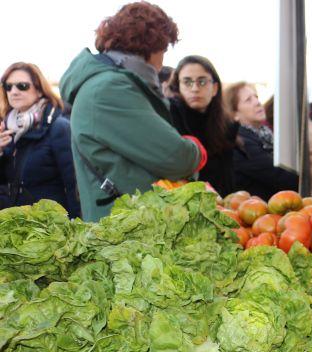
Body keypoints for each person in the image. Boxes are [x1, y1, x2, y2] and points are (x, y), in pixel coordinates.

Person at [59, 2, 203, 221]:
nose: (162, 62)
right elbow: (176, 158)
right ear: (151, 45)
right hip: (126, 230)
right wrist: (196, 149)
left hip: (124, 223)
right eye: (163, 50)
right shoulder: (109, 89)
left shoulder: (106, 83)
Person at [1, 63, 80, 217]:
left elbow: (74, 185)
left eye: (22, 86)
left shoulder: (59, 127)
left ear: (39, 89)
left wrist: (77, 226)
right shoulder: (8, 129)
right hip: (17, 226)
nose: (14, 92)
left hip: (50, 227)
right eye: (8, 86)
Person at [168, 55, 238, 196]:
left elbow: (227, 180)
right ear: (178, 87)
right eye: (187, 82)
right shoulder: (169, 117)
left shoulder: (227, 125)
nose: (194, 88)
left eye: (202, 82)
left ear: (215, 88)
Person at [224, 82, 298, 199]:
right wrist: (306, 178)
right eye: (248, 100)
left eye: (256, 97)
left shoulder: (265, 134)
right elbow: (277, 176)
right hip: (258, 212)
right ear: (235, 114)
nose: (257, 102)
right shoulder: (240, 141)